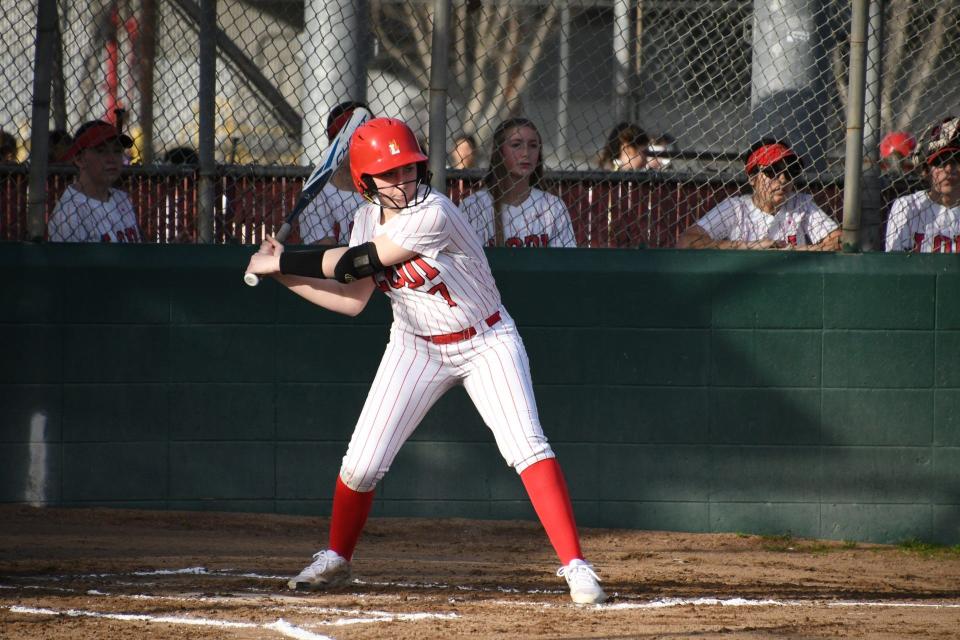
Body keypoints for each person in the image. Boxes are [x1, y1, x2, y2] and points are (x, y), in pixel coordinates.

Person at [244, 117, 606, 605]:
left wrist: (280, 261)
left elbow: (353, 263)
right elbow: (351, 298)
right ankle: (336, 557)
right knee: (361, 465)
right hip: (416, 345)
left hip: (486, 341)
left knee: (526, 445)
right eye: (389, 174)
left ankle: (577, 566)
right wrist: (279, 274)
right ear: (365, 182)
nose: (403, 180)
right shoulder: (365, 219)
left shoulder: (433, 212)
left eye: (408, 168)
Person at [676, 138, 840, 250]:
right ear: (752, 178)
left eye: (791, 172)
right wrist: (751, 247)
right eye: (772, 171)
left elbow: (840, 241)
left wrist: (798, 251)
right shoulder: (736, 208)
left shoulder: (800, 204)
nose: (783, 179)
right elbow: (686, 241)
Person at [459, 117, 576, 248]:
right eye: (516, 145)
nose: (526, 153)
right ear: (500, 152)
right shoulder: (474, 207)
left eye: (532, 145)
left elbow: (563, 264)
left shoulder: (553, 206)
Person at [47, 120, 142, 243]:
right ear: (79, 159)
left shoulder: (121, 198)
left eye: (117, 151)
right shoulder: (70, 213)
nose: (112, 159)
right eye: (101, 151)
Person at [298, 101, 370, 245]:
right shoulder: (316, 193)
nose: (362, 145)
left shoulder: (385, 185)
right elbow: (324, 252)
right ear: (334, 144)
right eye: (354, 138)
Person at [885, 116, 960, 252]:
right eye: (940, 163)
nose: (949, 169)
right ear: (926, 171)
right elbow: (895, 265)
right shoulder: (908, 207)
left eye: (956, 161)